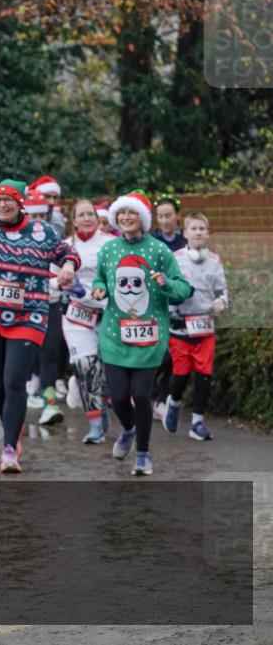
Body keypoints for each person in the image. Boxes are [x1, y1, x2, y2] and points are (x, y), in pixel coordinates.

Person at [0, 179, 78, 472]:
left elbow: (68, 252)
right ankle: (12, 434)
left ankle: (8, 450)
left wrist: (68, 266)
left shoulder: (42, 232)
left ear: (21, 204)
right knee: (0, 385)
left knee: (15, 380)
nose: (2, 204)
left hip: (29, 316)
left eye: (9, 200)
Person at [91, 191, 191, 476]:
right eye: (121, 214)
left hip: (149, 338)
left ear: (143, 219)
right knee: (119, 398)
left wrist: (165, 284)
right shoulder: (109, 250)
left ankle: (143, 454)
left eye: (131, 213)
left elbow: (182, 288)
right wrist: (99, 289)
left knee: (140, 395)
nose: (125, 218)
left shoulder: (159, 250)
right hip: (114, 336)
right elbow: (100, 278)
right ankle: (128, 429)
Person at [164, 212, 227, 441]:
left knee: (204, 375)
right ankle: (174, 402)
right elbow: (166, 289)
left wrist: (222, 301)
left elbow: (222, 290)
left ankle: (197, 422)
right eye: (194, 228)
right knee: (180, 374)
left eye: (202, 228)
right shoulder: (175, 258)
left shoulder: (215, 261)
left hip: (204, 327)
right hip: (180, 328)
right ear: (185, 233)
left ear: (208, 234)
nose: (199, 232)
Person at [59, 200, 113, 443]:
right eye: (81, 215)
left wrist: (92, 296)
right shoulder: (65, 247)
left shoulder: (111, 244)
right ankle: (95, 423)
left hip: (108, 314)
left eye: (90, 214)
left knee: (109, 371)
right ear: (74, 220)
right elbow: (52, 277)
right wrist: (64, 284)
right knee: (85, 366)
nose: (87, 218)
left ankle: (104, 404)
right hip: (77, 316)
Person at [23, 191, 68, 425]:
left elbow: (66, 263)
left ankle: (49, 404)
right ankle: (20, 392)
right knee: (28, 354)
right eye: (33, 215)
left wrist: (63, 276)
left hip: (51, 303)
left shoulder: (54, 238)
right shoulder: (16, 240)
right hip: (23, 309)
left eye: (42, 214)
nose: (38, 219)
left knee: (50, 352)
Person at [149, 193, 186, 420]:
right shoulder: (151, 241)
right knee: (159, 355)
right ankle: (144, 393)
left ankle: (161, 400)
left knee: (176, 357)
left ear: (178, 216)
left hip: (181, 305)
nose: (164, 221)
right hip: (155, 305)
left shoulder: (186, 241)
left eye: (168, 216)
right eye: (160, 216)